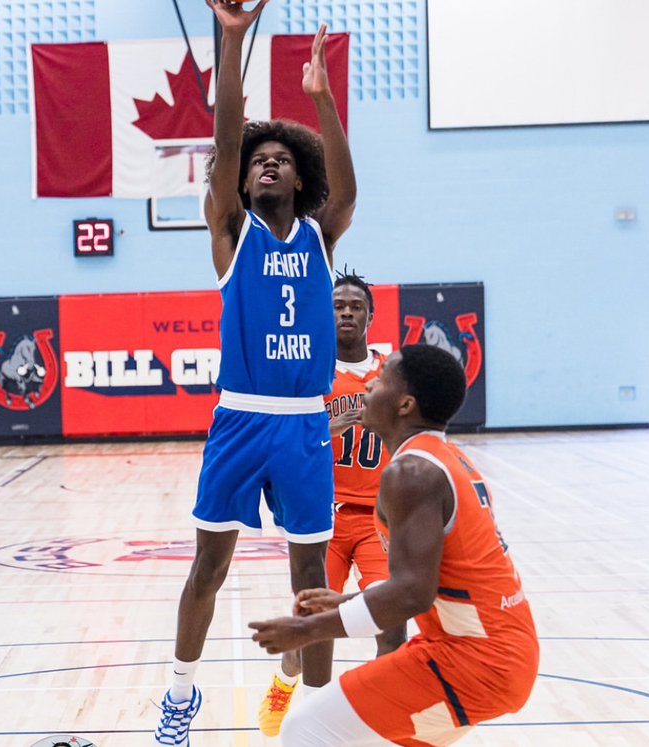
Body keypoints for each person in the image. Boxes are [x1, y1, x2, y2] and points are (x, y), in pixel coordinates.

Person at [153, 0, 357, 744]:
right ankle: (180, 695)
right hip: (239, 419)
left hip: (303, 426)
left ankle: (318, 715)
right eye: (258, 160)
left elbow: (350, 190)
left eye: (284, 160)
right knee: (208, 566)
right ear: (241, 181)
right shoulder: (229, 233)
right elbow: (228, 139)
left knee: (311, 585)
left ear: (300, 183)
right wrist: (232, 42)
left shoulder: (318, 235)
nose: (270, 163)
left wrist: (323, 102)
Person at [250, 344, 539, 747]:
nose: (369, 383)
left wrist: (306, 630)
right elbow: (428, 582)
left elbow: (411, 595)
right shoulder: (441, 457)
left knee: (304, 730)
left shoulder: (411, 472)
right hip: (494, 651)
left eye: (382, 378)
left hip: (475, 660)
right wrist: (344, 603)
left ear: (405, 404)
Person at [258, 270, 407, 737]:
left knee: (392, 622)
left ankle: (382, 715)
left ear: (369, 315)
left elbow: (413, 435)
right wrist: (330, 426)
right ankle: (286, 679)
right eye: (337, 304)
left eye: (355, 305)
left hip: (379, 520)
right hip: (322, 518)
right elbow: (283, 442)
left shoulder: (391, 372)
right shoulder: (309, 372)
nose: (345, 311)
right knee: (314, 623)